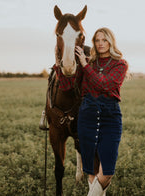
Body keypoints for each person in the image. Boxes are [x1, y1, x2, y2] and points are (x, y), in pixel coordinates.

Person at [51, 27, 128, 196]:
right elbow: (67, 86)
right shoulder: (89, 62)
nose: (100, 44)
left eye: (104, 40)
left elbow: (105, 85)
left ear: (111, 42)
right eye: (97, 40)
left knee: (107, 171)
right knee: (92, 171)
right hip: (87, 117)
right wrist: (59, 65)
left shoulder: (120, 64)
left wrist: (85, 65)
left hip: (110, 117)